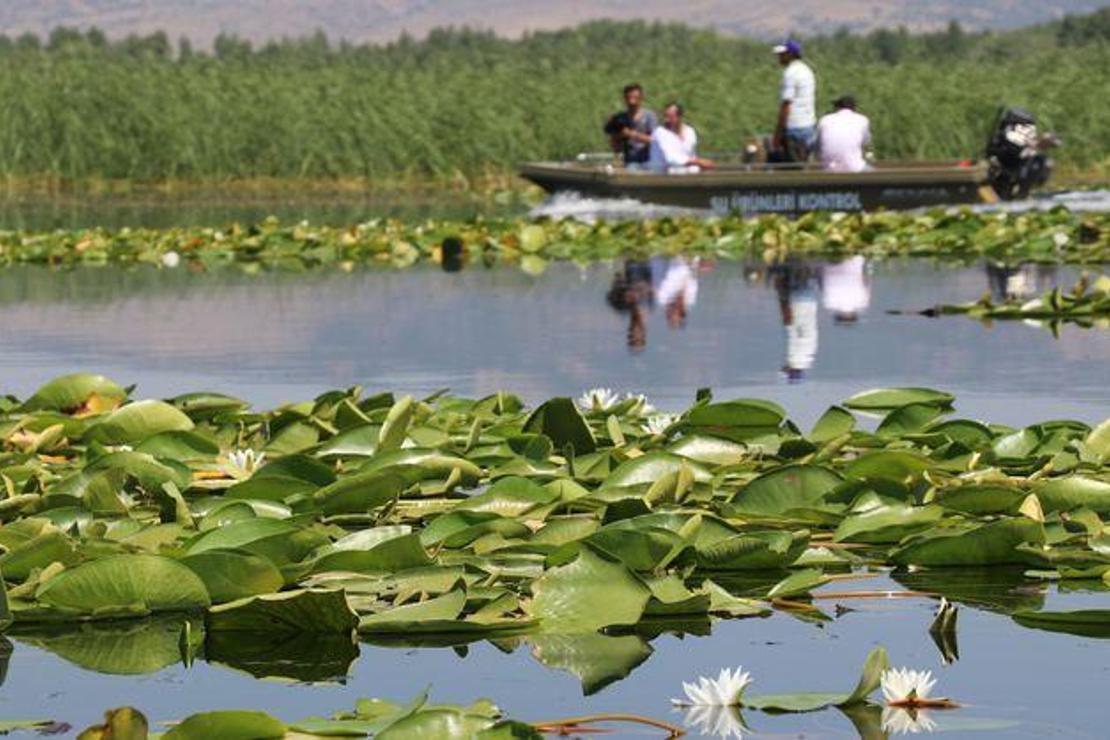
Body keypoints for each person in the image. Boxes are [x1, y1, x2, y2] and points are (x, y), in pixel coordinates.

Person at [772, 40, 817, 163]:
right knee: (805, 165)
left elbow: (786, 105)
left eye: (782, 54)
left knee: (792, 168)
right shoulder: (807, 70)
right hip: (809, 125)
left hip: (794, 127)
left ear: (790, 55)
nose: (779, 57)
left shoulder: (790, 74)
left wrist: (778, 134)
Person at [648, 103, 714, 174]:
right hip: (662, 178)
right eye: (665, 116)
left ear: (679, 117)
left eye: (670, 117)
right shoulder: (660, 132)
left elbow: (692, 154)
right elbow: (671, 158)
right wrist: (698, 162)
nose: (666, 120)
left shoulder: (690, 131)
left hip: (687, 177)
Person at [603, 84, 658, 168]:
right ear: (625, 99)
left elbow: (654, 140)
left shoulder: (649, 116)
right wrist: (617, 136)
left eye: (635, 97)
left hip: (649, 159)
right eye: (629, 98)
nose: (631, 101)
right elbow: (615, 147)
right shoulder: (620, 118)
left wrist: (632, 134)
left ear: (641, 98)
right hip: (631, 161)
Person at [816, 96, 871, 172]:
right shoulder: (862, 120)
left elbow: (818, 145)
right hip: (855, 168)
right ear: (854, 108)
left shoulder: (824, 119)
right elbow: (865, 144)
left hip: (829, 169)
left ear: (838, 107)